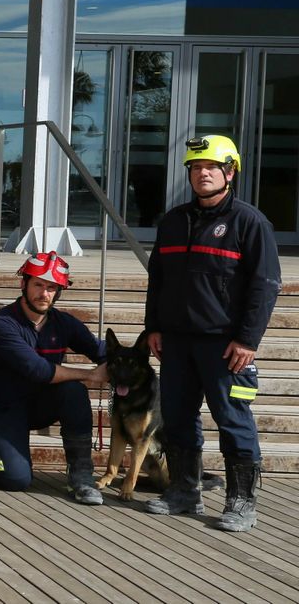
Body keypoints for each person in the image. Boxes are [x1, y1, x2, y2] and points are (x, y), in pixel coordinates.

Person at [143, 135, 279, 532]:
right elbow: (158, 281)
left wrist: (248, 340)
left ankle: (241, 502)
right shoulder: (173, 221)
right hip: (177, 342)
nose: (202, 174)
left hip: (225, 345)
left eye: (212, 168)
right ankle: (185, 491)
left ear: (230, 172)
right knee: (179, 419)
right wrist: (154, 326)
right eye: (196, 168)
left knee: (234, 420)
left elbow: (265, 285)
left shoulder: (249, 222)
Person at [0, 252, 106, 504]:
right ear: (23, 283)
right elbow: (38, 369)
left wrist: (130, 360)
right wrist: (91, 375)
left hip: (39, 404)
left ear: (59, 292)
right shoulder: (2, 322)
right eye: (38, 284)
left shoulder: (64, 322)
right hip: (4, 408)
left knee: (73, 392)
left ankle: (81, 475)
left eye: (51, 288)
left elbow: (99, 350)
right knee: (16, 480)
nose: (44, 294)